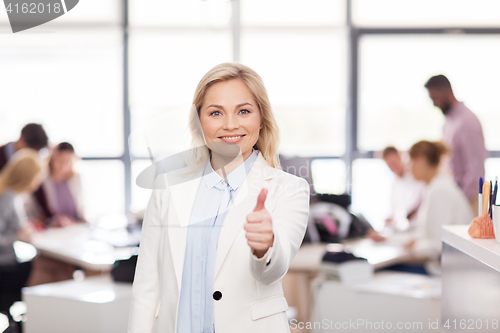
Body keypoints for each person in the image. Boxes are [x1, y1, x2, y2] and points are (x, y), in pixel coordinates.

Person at [127, 63, 310, 333]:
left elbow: (273, 269)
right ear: (199, 122)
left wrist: (265, 246)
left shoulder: (289, 188)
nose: (230, 124)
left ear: (261, 119)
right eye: (215, 113)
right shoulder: (168, 187)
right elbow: (146, 285)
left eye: (244, 111)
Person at [404, 140, 473, 276]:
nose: (409, 168)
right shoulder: (436, 187)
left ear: (420, 160)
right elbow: (430, 234)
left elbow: (438, 246)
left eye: (410, 162)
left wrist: (415, 246)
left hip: (443, 271)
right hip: (444, 266)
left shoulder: (440, 191)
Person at [425, 75, 488, 215]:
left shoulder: (467, 122)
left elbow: (476, 171)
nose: (434, 104)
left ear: (446, 92)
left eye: (434, 98)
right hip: (455, 199)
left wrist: (458, 202)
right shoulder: (448, 123)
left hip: (468, 201)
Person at [0, 149, 44, 329]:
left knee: (49, 266)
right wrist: (16, 236)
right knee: (46, 267)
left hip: (9, 262)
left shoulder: (14, 195)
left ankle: (34, 319)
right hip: (5, 268)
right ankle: (35, 319)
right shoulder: (6, 197)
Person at [32, 142, 86, 227]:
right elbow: (38, 214)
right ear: (52, 159)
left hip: (76, 228)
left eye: (68, 161)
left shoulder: (75, 178)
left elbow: (81, 209)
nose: (63, 166)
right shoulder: (41, 181)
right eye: (60, 161)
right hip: (53, 230)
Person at [382, 146, 425, 230]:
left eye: (394, 163)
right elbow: (396, 209)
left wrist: (404, 217)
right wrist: (391, 218)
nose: (393, 168)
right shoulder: (395, 184)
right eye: (390, 165)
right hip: (403, 229)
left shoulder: (415, 176)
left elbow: (419, 201)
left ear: (400, 157)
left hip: (418, 226)